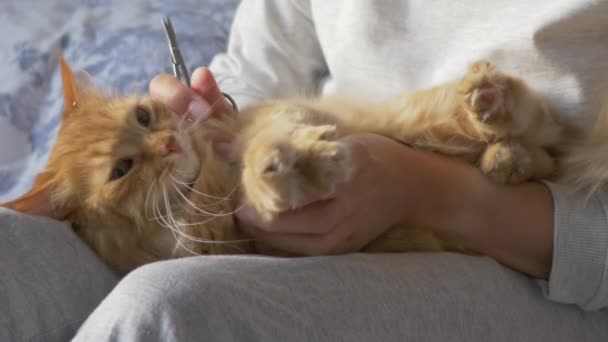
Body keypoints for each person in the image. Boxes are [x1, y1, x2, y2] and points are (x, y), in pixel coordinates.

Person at [2, 1, 608, 341]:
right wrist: (218, 111)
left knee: (162, 314)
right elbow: (256, 66)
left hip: (530, 263)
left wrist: (427, 193)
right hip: (308, 161)